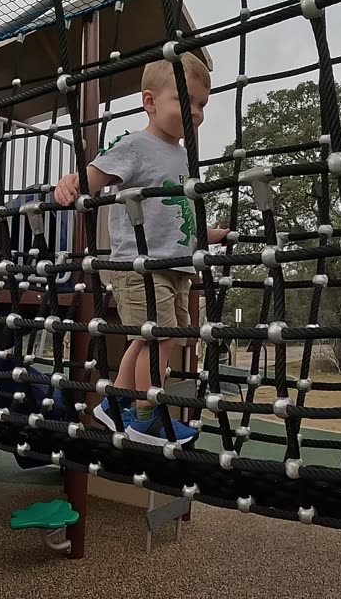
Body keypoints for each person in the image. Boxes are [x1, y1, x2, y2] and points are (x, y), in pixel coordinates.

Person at [53, 53, 228, 446]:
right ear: (150, 102)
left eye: (202, 104)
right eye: (186, 102)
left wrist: (210, 234)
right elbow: (95, 174)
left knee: (148, 337)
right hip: (139, 265)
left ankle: (114, 403)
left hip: (176, 264)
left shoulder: (185, 157)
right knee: (159, 336)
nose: (196, 112)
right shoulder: (136, 145)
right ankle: (147, 415)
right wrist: (72, 180)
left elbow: (179, 214)